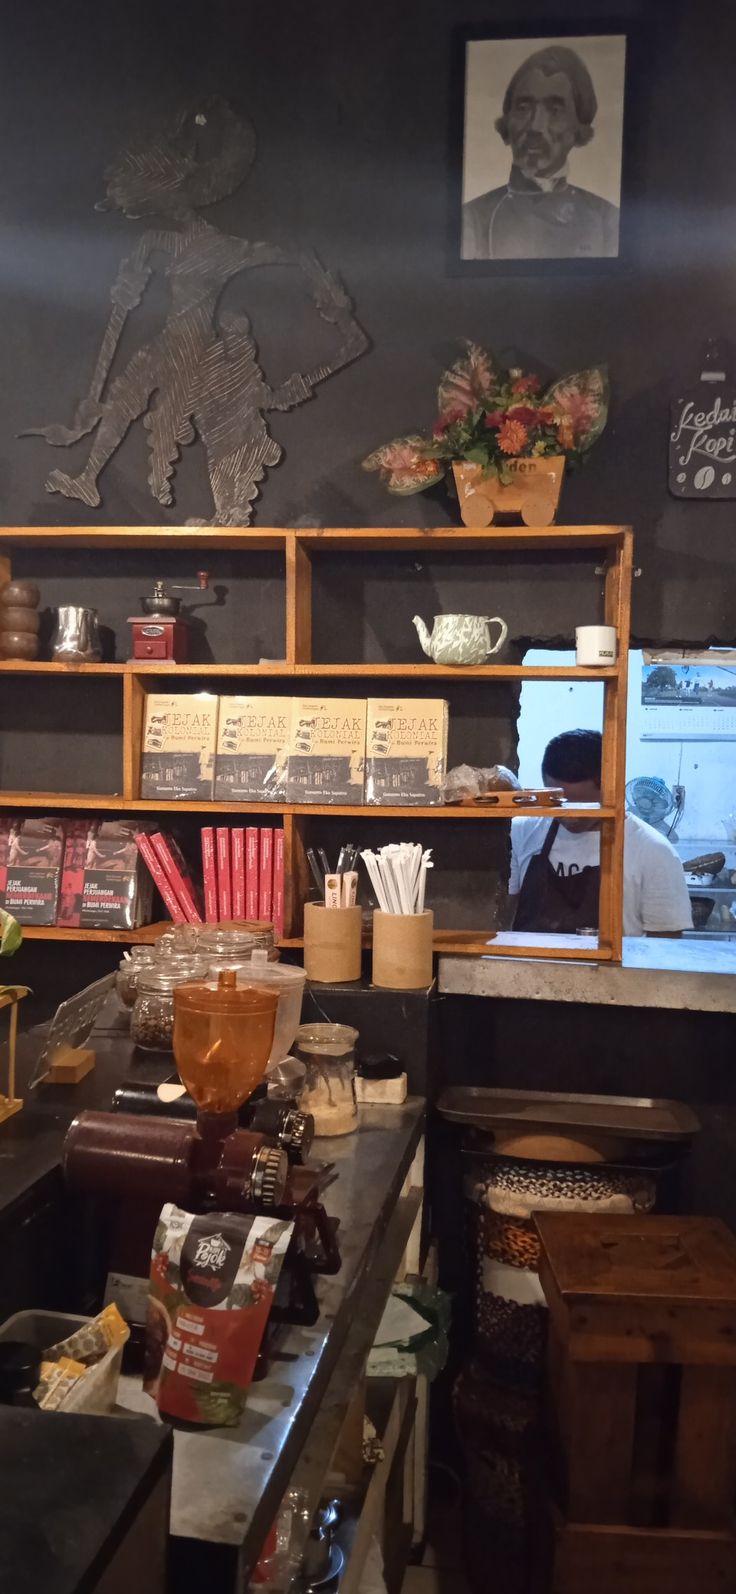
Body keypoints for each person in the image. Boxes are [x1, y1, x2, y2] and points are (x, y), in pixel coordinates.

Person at [508, 730, 692, 936]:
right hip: (528, 968)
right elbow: (503, 914)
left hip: (610, 969)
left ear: (611, 789)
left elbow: (664, 946)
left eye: (583, 806)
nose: (571, 817)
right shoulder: (521, 832)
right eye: (558, 803)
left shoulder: (654, 851)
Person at [462, 44, 619, 261]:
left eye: (554, 110)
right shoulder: (471, 219)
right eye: (524, 108)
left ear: (578, 128)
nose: (535, 126)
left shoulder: (607, 220)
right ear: (507, 123)